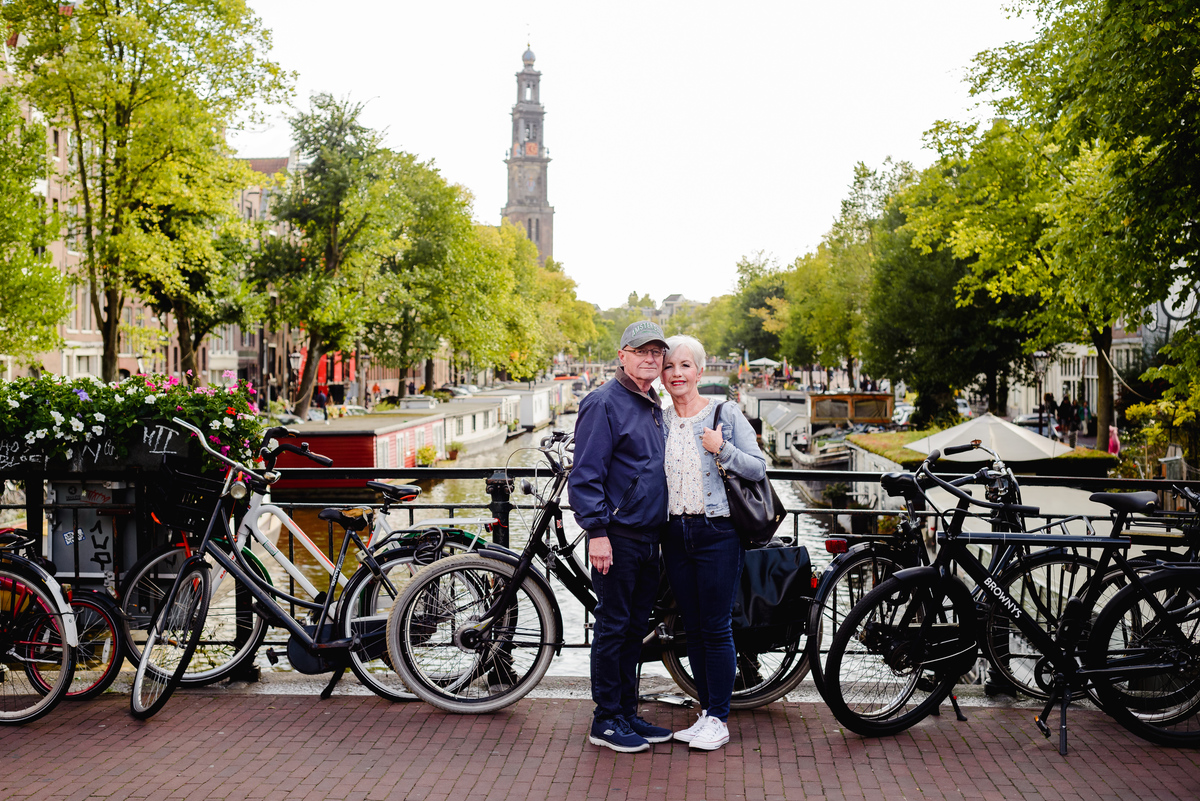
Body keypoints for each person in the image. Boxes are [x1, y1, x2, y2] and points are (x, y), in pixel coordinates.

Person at [659, 335, 766, 752]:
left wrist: (722, 449)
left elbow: (757, 467)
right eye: (669, 367)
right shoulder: (661, 420)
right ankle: (706, 713)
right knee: (694, 629)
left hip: (717, 531)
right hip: (674, 532)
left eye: (685, 366)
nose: (676, 374)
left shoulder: (725, 412)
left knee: (717, 627)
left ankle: (719, 718)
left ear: (700, 372)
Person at [569, 320, 672, 753]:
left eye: (656, 353)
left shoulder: (652, 403)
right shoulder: (603, 402)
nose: (650, 359)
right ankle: (605, 719)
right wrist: (597, 531)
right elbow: (586, 474)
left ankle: (627, 712)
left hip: (651, 536)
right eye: (642, 352)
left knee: (633, 629)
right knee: (612, 626)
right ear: (622, 356)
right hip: (619, 536)